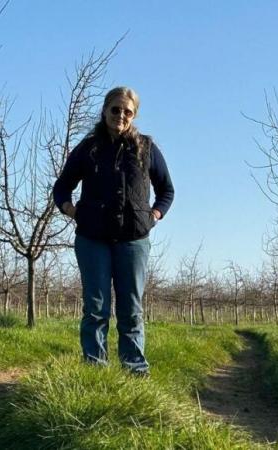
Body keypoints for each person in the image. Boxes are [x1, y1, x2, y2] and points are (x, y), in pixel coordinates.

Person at [53, 86, 174, 375]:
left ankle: (135, 371)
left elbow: (166, 190)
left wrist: (153, 215)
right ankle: (95, 370)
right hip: (92, 239)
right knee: (96, 308)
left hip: (134, 240)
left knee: (131, 310)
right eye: (115, 109)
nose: (121, 115)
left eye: (127, 111)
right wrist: (72, 211)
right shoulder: (88, 148)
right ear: (105, 110)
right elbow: (61, 188)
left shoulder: (146, 148)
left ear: (134, 116)